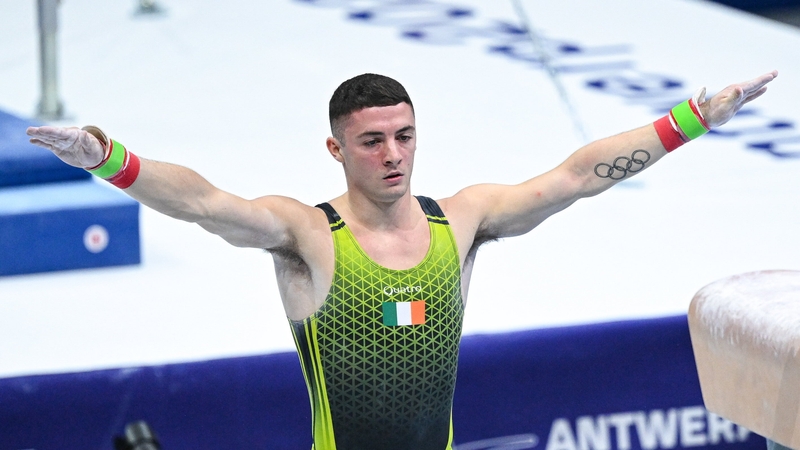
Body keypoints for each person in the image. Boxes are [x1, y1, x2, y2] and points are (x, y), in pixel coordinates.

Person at [27, 71, 778, 450]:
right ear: (336, 148)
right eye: (372, 140)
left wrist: (692, 119)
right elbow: (203, 202)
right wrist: (107, 159)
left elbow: (577, 177)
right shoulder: (309, 235)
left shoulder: (462, 221)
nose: (393, 155)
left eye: (404, 135)